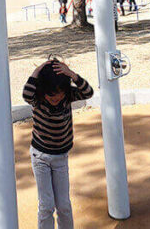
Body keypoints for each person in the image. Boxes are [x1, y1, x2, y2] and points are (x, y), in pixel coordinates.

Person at [22, 58, 94, 229]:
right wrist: (38, 69)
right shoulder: (37, 98)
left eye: (59, 93)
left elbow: (88, 92)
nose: (55, 98)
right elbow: (26, 93)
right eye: (50, 94)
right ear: (43, 90)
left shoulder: (68, 96)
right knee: (46, 205)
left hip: (61, 157)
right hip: (40, 157)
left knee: (63, 205)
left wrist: (72, 74)